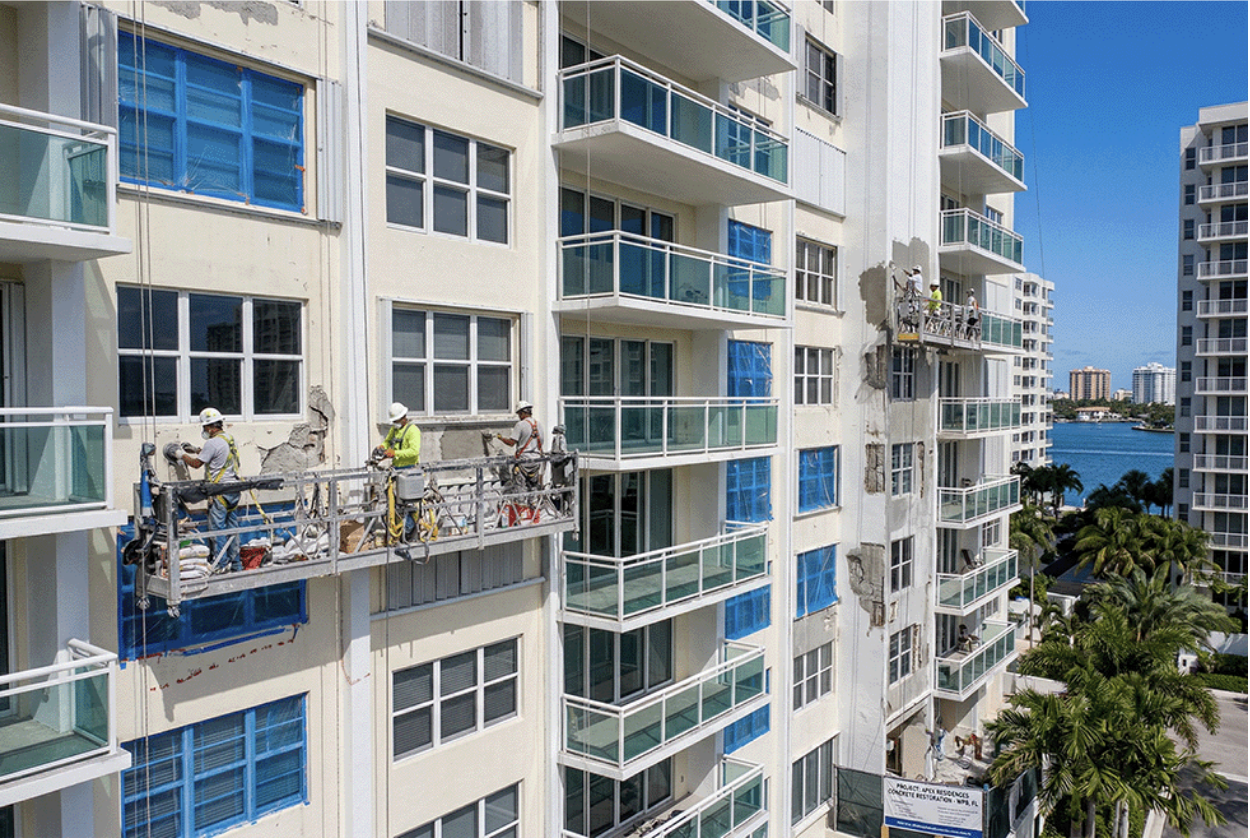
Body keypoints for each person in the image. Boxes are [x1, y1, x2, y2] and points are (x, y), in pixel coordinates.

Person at [179, 407, 242, 573]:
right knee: (232, 528)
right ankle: (236, 564)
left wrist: (180, 454)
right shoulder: (229, 438)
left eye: (204, 427)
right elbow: (217, 455)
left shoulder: (212, 443)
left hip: (220, 490)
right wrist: (196, 450)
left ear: (208, 427)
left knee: (217, 530)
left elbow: (196, 464)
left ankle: (221, 564)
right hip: (233, 489)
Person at [496, 400, 545, 488]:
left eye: (519, 414)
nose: (519, 416)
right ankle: (533, 501)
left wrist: (501, 438)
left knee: (520, 487)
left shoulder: (520, 425)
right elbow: (541, 442)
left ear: (523, 413)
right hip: (536, 461)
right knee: (533, 487)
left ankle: (521, 501)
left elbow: (511, 443)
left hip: (524, 461)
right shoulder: (539, 424)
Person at [382, 402, 421, 468]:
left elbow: (414, 451)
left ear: (403, 417)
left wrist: (395, 453)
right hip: (396, 466)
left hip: (410, 468)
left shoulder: (413, 430)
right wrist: (382, 447)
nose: (395, 423)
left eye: (396, 421)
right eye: (394, 421)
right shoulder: (394, 429)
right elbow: (388, 441)